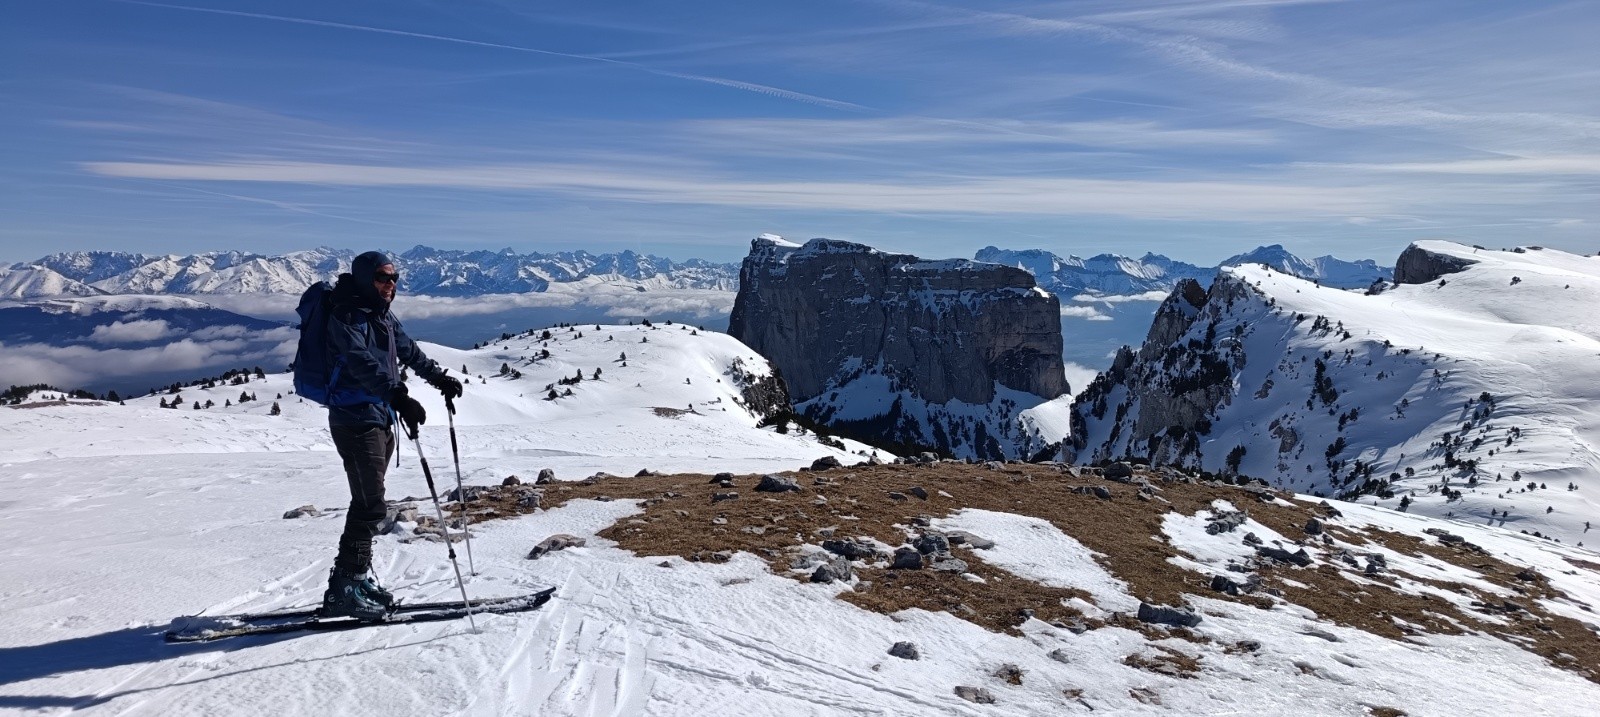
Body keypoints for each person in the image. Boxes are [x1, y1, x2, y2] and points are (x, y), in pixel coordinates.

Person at [319, 251, 463, 620]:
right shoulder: (346, 316)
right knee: (371, 506)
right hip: (355, 420)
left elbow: (409, 351)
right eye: (384, 278)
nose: (391, 284)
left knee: (368, 502)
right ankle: (344, 589)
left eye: (395, 278)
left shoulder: (381, 315)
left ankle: (355, 577)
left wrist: (439, 378)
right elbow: (360, 362)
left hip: (378, 417)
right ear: (368, 280)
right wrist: (397, 395)